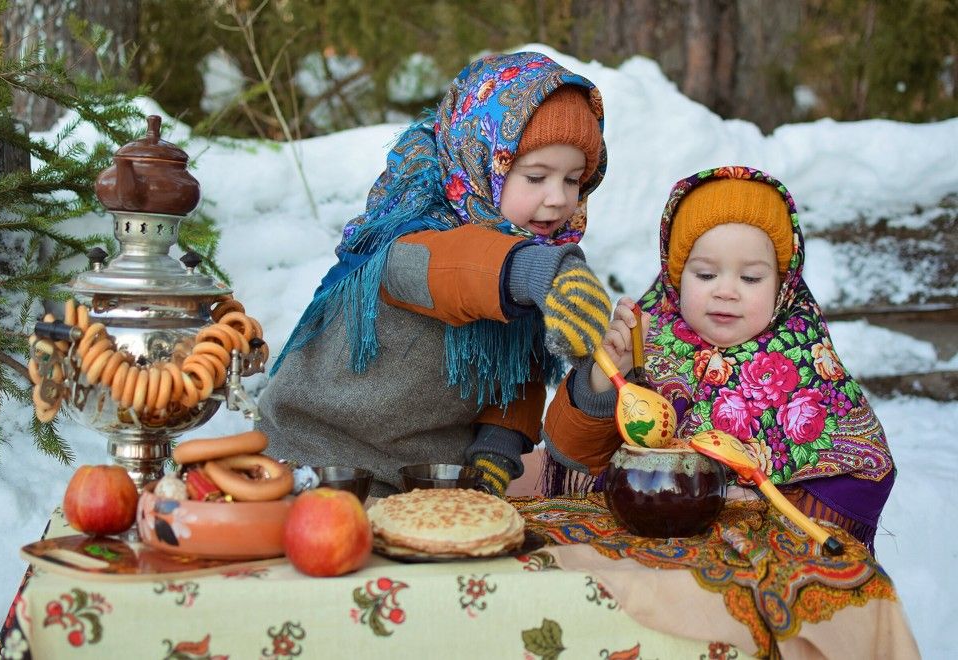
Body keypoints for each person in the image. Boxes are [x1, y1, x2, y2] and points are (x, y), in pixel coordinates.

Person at [257, 51, 613, 498]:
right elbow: (457, 271)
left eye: (573, 180)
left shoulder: (538, 260)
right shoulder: (410, 234)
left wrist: (495, 453)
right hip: (311, 458)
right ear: (484, 160)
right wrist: (531, 270)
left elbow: (514, 377)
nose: (559, 199)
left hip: (422, 480)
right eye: (537, 176)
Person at [542, 165, 895, 551]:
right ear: (676, 276)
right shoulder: (646, 340)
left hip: (759, 556)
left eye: (751, 278)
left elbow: (864, 475)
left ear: (783, 285)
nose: (726, 291)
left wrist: (759, 503)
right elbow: (573, 453)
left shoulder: (808, 362)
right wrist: (606, 375)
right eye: (706, 275)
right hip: (637, 538)